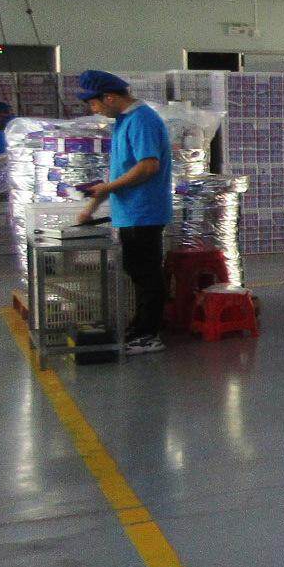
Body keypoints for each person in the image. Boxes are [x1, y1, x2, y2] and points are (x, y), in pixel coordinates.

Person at [74, 70, 172, 355]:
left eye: (93, 103)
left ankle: (148, 335)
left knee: (146, 274)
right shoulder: (124, 122)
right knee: (137, 271)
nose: (93, 110)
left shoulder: (142, 120)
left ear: (109, 97)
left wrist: (107, 187)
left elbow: (148, 166)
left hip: (144, 211)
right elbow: (119, 172)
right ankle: (139, 327)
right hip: (130, 212)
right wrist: (91, 208)